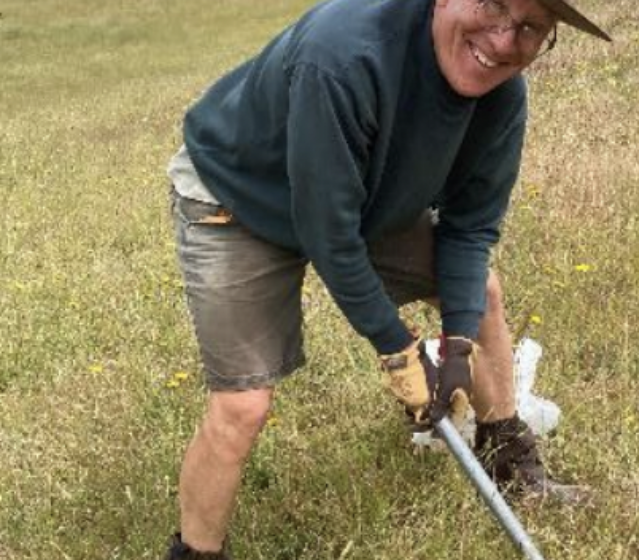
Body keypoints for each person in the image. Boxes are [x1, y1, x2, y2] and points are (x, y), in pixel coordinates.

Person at [165, 0, 610, 556]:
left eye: (529, 28)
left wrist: (456, 346)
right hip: (239, 193)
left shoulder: (503, 98)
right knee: (243, 405)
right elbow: (328, 235)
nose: (502, 40)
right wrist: (398, 350)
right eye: (492, 5)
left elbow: (470, 230)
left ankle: (511, 464)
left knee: (479, 297)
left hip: (357, 193)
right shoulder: (344, 55)